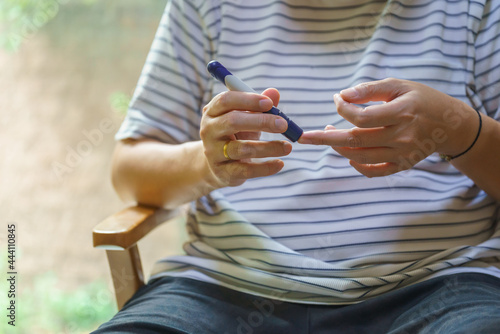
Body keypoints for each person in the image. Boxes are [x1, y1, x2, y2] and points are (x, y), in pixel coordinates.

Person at [93, 0, 500, 333]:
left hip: (443, 290)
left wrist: (461, 129)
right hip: (220, 289)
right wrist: (210, 164)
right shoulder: (206, 8)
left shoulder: (473, 9)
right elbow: (130, 175)